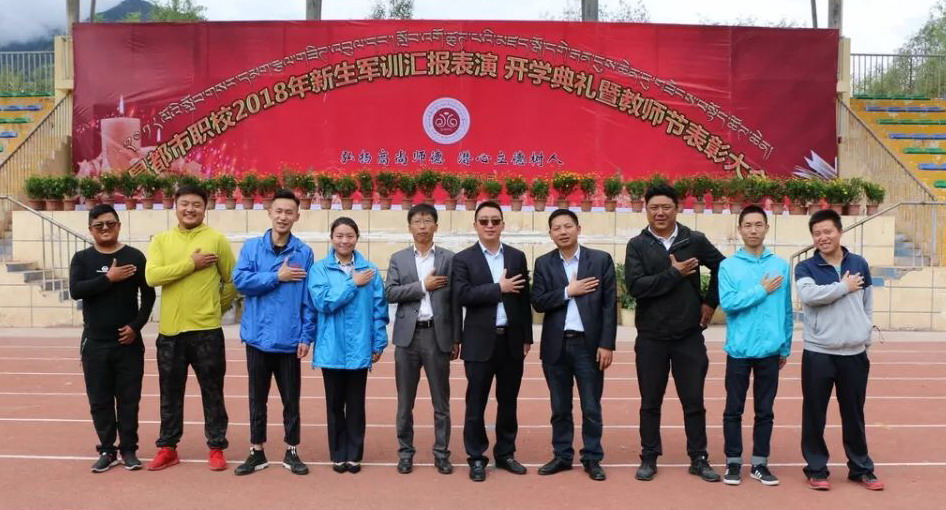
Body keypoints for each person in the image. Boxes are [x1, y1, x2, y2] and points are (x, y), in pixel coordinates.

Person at [624, 183, 725, 483]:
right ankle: (649, 457)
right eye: (654, 207)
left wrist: (710, 302)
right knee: (650, 402)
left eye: (666, 207)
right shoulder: (637, 245)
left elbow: (723, 267)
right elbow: (636, 287)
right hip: (651, 336)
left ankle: (699, 458)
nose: (660, 213)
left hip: (688, 335)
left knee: (693, 401)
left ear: (677, 209)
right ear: (646, 210)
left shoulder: (694, 240)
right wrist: (674, 273)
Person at [145, 184, 237, 471]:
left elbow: (232, 281)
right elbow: (152, 277)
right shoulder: (161, 240)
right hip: (170, 333)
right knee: (169, 393)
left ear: (205, 208)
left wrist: (215, 308)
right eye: (185, 203)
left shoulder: (216, 240)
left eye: (196, 204)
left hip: (207, 332)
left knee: (213, 392)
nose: (190, 209)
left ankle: (216, 447)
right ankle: (168, 447)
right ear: (175, 206)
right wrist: (190, 264)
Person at [795, 209, 884, 491]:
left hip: (854, 354)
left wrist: (865, 336)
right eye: (817, 234)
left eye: (827, 231)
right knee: (814, 414)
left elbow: (867, 303)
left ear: (840, 232)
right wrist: (843, 286)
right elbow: (809, 296)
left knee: (854, 415)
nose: (823, 237)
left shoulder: (859, 263)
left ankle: (861, 469)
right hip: (819, 352)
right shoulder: (805, 268)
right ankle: (816, 469)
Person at [231, 189, 316, 476]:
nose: (283, 217)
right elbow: (240, 281)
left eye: (289, 212)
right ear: (269, 212)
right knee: (257, 398)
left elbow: (308, 298)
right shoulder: (252, 248)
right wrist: (276, 276)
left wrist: (306, 336)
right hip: (257, 338)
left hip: (289, 340)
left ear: (297, 216)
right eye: (278, 211)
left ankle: (292, 450)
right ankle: (257, 451)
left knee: (291, 399)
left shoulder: (303, 252)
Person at [69, 204, 156, 473]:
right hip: (95, 344)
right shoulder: (82, 259)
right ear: (91, 229)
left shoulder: (135, 256)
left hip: (128, 344)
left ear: (119, 225)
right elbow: (76, 290)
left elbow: (148, 296)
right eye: (99, 225)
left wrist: (136, 326)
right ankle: (107, 449)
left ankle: (129, 449)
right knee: (100, 400)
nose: (105, 228)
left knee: (129, 400)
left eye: (110, 223)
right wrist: (108, 278)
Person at [532, 209, 616, 482]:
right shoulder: (544, 263)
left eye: (568, 226)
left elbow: (609, 305)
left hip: (588, 346)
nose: (563, 232)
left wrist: (607, 344)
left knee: (591, 406)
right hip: (555, 345)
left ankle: (592, 457)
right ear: (550, 234)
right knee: (559, 406)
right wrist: (568, 291)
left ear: (578, 229)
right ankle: (562, 455)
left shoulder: (600, 260)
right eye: (557, 228)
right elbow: (538, 301)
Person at [452, 201, 533, 482]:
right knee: (476, 403)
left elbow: (523, 300)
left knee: (508, 401)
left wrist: (526, 337)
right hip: (478, 342)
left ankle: (505, 453)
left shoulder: (516, 256)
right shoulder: (463, 259)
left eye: (495, 221)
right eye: (484, 221)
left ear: (502, 225)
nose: (489, 225)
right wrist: (499, 288)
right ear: (475, 225)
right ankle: (476, 457)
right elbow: (463, 295)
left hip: (511, 341)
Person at [717, 205, 792, 486]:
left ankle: (760, 463)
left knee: (765, 410)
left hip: (770, 350)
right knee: (733, 409)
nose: (753, 230)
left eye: (758, 225)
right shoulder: (728, 266)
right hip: (739, 349)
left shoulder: (781, 266)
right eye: (747, 225)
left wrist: (785, 346)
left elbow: (786, 310)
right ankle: (733, 462)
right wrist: (761, 290)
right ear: (740, 230)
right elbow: (728, 303)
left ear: (767, 228)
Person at [307, 217, 388, 474]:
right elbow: (323, 302)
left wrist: (379, 342)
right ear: (332, 238)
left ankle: (354, 454)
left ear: (357, 238)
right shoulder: (320, 270)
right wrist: (353, 283)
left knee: (355, 405)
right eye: (339, 235)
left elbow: (379, 310)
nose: (344, 240)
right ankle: (338, 454)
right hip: (331, 347)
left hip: (359, 347)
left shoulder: (370, 271)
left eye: (349, 236)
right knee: (334, 405)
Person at [385, 204, 459, 475]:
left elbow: (455, 301)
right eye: (417, 221)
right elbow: (390, 293)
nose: (423, 226)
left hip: (437, 336)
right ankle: (405, 453)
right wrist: (422, 287)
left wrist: (456, 338)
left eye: (428, 221)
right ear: (410, 227)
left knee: (441, 402)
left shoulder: (450, 259)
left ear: (436, 226)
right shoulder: (398, 258)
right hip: (408, 337)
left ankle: (441, 454)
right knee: (405, 402)